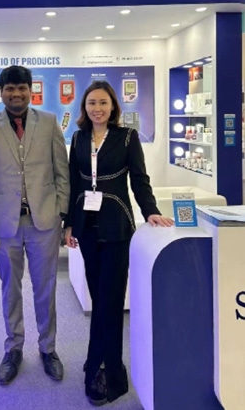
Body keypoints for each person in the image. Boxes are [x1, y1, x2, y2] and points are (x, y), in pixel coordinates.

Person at [64, 81, 173, 407]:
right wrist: (68, 223)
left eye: (103, 103)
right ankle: (101, 360)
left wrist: (151, 211)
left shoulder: (127, 137)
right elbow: (73, 182)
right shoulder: (78, 138)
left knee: (110, 300)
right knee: (100, 297)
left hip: (116, 226)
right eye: (92, 103)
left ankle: (104, 370)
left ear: (113, 106)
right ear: (84, 107)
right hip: (86, 226)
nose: (97, 108)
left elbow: (139, 179)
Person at [0, 65, 70, 385]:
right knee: (10, 290)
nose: (16, 93)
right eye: (10, 88)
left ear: (31, 90)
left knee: (45, 288)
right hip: (3, 227)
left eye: (22, 88)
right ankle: (13, 348)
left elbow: (62, 171)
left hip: (44, 222)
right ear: (1, 92)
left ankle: (48, 348)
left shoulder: (49, 122)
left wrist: (62, 212)